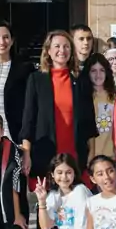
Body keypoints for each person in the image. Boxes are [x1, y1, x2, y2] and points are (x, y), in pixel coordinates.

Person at [21, 30, 96, 182]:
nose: (62, 50)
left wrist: (91, 155)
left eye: (66, 46)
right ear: (48, 51)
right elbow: (28, 120)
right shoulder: (36, 79)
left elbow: (89, 123)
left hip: (75, 156)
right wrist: (26, 154)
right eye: (57, 46)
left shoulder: (81, 80)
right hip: (44, 155)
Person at [86, 53, 116, 163]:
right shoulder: (84, 96)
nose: (98, 74)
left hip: (110, 156)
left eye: (101, 70)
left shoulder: (114, 97)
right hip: (90, 159)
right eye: (93, 70)